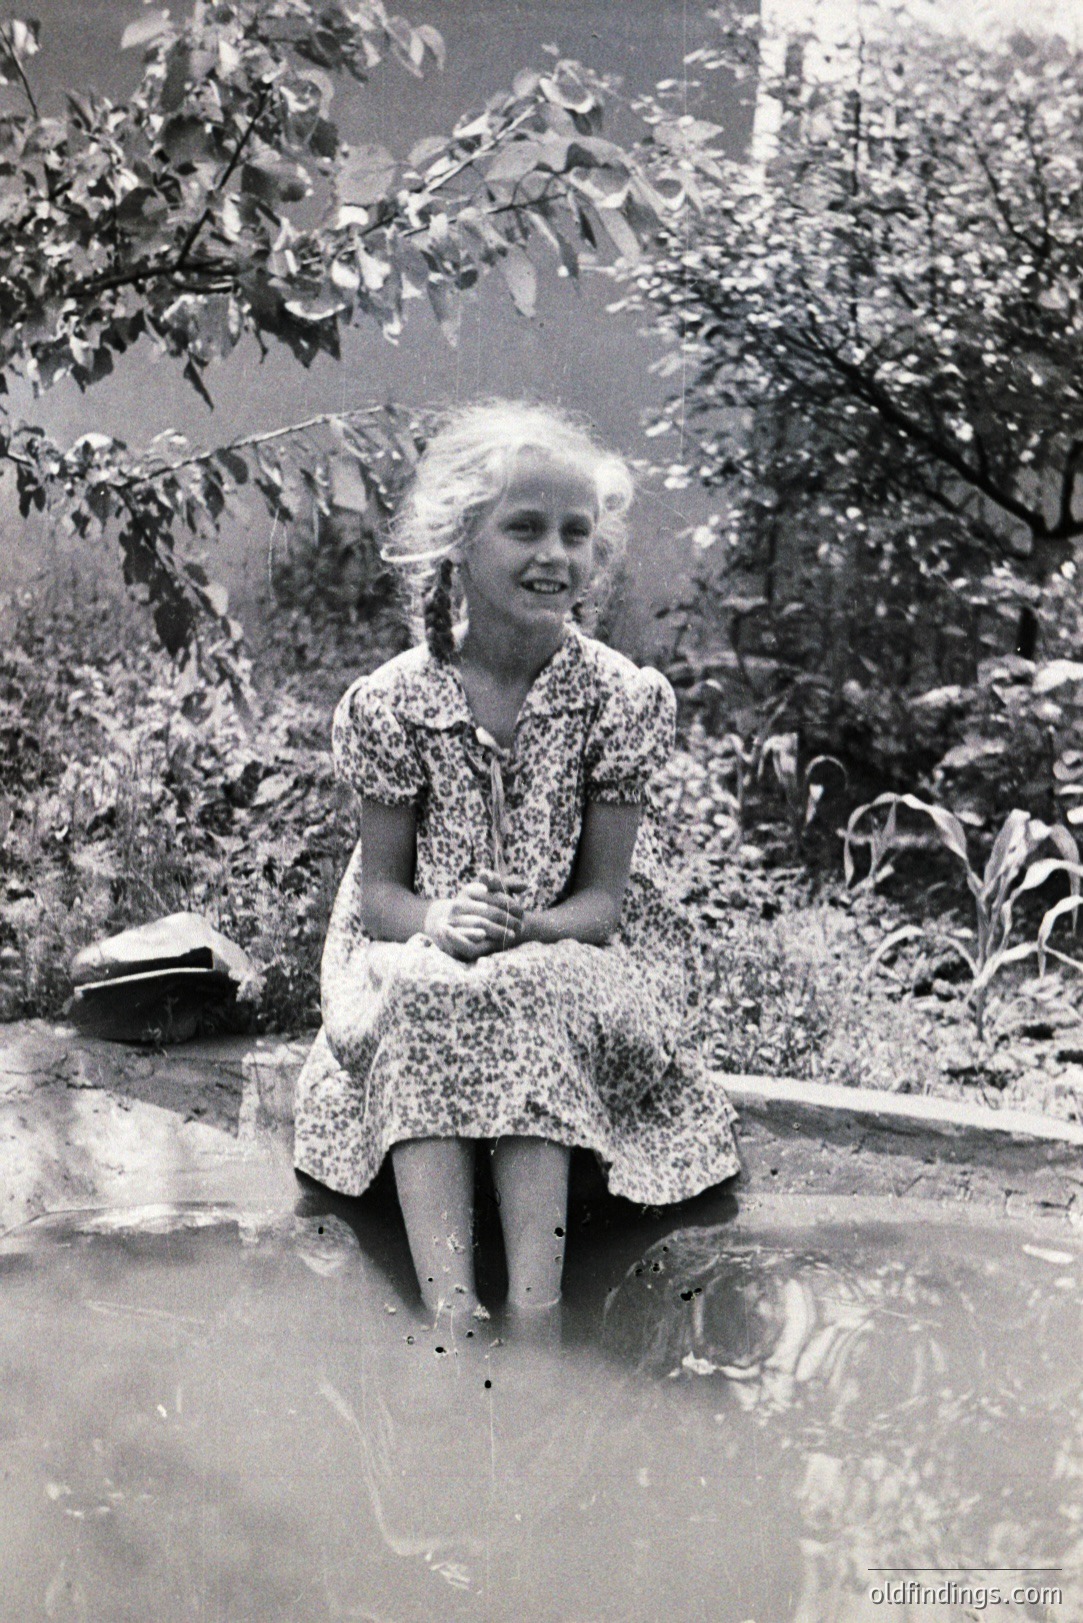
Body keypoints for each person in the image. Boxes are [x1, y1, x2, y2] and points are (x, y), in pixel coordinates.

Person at [293, 400, 740, 1325]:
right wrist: (440, 921)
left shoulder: (617, 699)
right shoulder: (394, 702)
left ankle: (536, 1309)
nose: (556, 555)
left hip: (574, 954)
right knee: (420, 985)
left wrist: (526, 929)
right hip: (425, 949)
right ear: (460, 541)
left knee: (529, 984)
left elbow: (602, 906)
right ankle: (450, 1308)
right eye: (524, 528)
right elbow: (380, 899)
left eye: (576, 534)